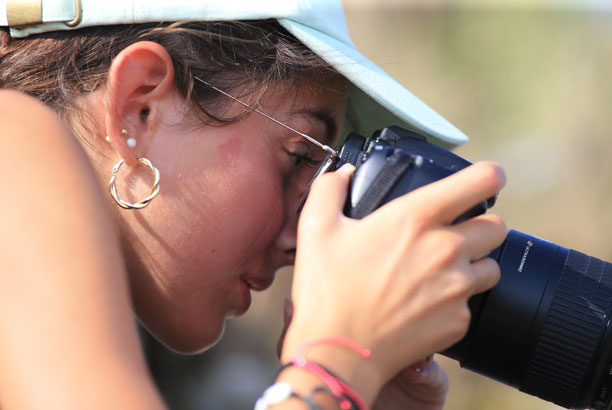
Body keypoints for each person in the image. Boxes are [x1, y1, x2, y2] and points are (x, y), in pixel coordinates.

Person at [0, 1, 507, 409]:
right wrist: (339, 361)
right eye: (299, 158)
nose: (300, 240)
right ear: (141, 106)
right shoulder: (13, 142)